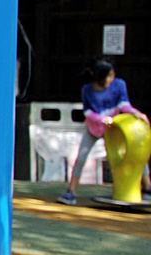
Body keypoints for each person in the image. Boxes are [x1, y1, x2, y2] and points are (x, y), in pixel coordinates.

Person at [59, 56, 151, 205]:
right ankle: (71, 192)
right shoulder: (87, 90)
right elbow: (87, 112)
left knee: (135, 154)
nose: (111, 78)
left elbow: (124, 105)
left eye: (113, 74)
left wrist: (136, 113)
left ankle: (147, 187)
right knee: (81, 158)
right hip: (95, 129)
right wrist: (102, 119)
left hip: (115, 129)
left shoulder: (119, 85)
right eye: (108, 75)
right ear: (98, 76)